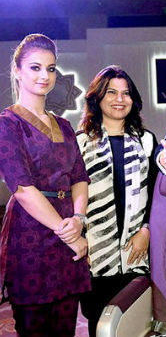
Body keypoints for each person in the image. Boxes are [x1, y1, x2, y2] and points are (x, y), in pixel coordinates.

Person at [0, 34, 90, 337]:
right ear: (17, 71)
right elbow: (23, 189)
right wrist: (69, 234)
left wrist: (79, 219)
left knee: (66, 327)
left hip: (69, 228)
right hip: (31, 236)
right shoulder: (7, 124)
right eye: (35, 67)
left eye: (51, 69)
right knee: (35, 327)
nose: (44, 76)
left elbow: (79, 177)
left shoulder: (64, 125)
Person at [76, 66, 158, 337]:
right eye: (111, 92)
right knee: (100, 325)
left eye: (126, 93)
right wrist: (80, 241)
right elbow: (72, 200)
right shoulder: (80, 143)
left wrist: (146, 230)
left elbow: (156, 194)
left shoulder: (146, 141)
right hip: (95, 254)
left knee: (136, 325)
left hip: (137, 252)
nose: (119, 99)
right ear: (97, 97)